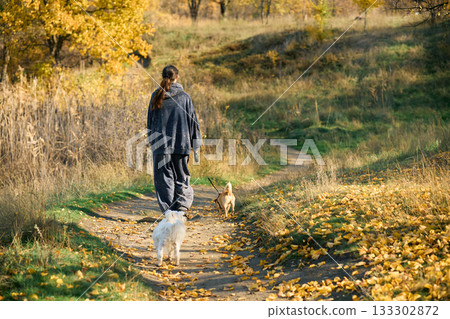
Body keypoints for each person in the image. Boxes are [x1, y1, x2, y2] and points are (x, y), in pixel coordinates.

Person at [147, 65, 201, 215]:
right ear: (177, 77)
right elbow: (193, 122)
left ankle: (169, 213)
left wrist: (151, 143)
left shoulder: (155, 95)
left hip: (160, 146)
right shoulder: (184, 97)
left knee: (163, 180)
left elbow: (149, 123)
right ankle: (181, 210)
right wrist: (196, 145)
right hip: (181, 144)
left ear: (163, 77)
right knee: (181, 177)